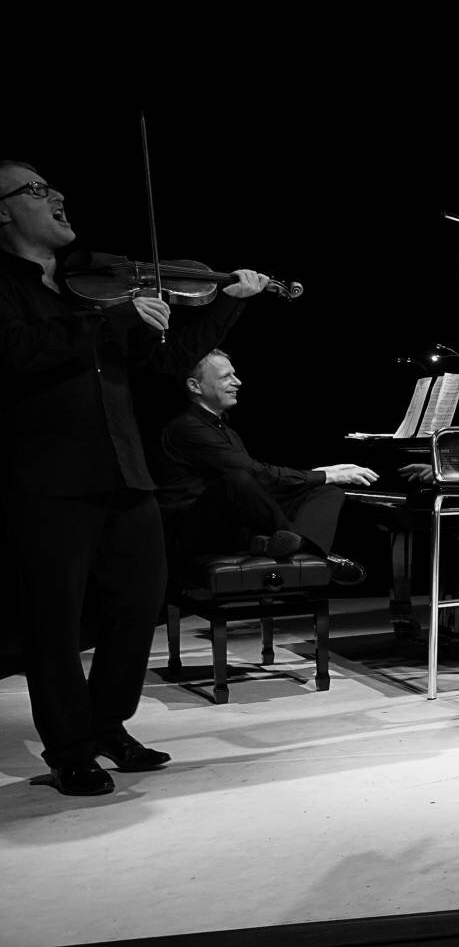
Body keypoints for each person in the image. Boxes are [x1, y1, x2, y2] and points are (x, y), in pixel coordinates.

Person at [0, 159, 271, 795]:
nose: (58, 194)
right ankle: (68, 747)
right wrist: (108, 323)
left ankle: (105, 723)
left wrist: (225, 307)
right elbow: (14, 354)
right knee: (55, 622)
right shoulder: (9, 288)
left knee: (139, 601)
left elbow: (172, 359)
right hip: (46, 478)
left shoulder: (85, 287)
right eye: (37, 189)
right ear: (3, 211)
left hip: (125, 469)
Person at [157, 349, 375, 582]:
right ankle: (306, 548)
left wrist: (322, 478)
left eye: (235, 375)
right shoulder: (188, 427)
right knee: (239, 481)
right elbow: (254, 475)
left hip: (235, 522)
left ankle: (291, 543)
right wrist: (324, 474)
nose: (237, 382)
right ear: (195, 386)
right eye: (225, 377)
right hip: (195, 531)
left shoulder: (222, 428)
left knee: (326, 492)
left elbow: (260, 482)